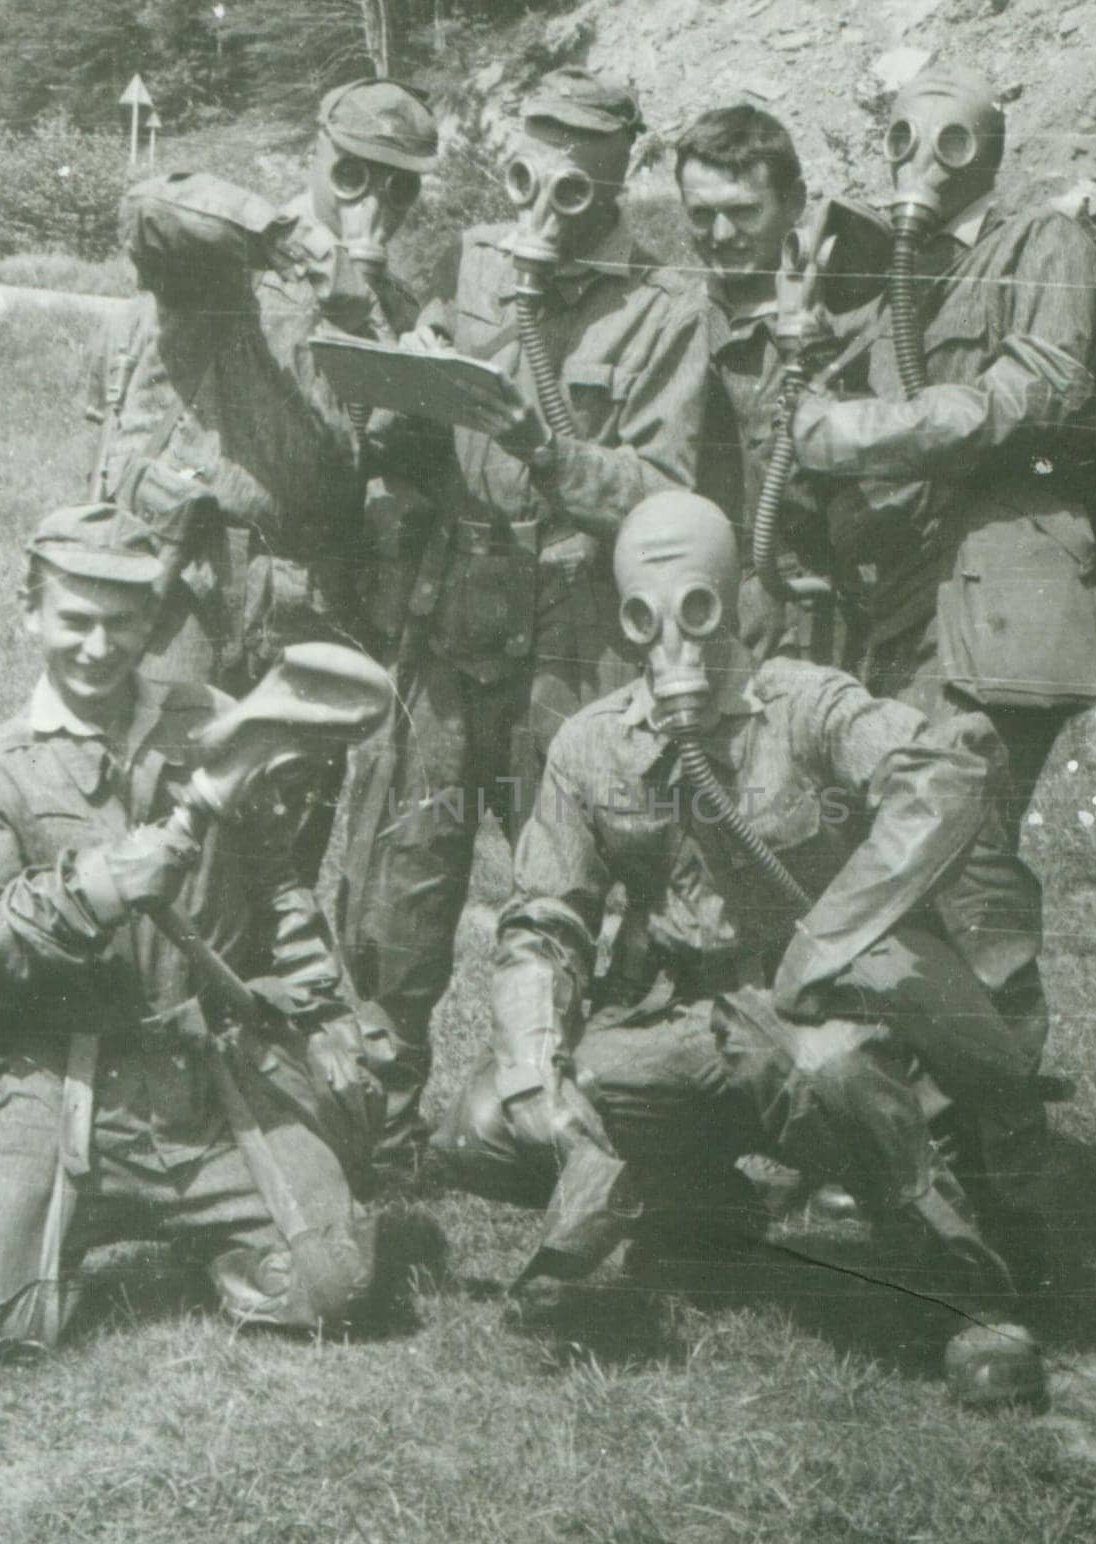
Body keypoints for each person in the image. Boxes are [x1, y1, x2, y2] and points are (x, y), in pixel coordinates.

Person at [436, 489, 1057, 1408]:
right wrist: (536, 1065)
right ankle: (701, 1209)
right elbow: (542, 919)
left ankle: (969, 1293)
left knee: (836, 1070)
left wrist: (829, 937)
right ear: (621, 619)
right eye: (642, 616)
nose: (670, 643)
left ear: (727, 601)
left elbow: (944, 776)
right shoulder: (591, 744)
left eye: (694, 608)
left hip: (823, 1016)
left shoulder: (804, 706)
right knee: (485, 1125)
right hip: (678, 1021)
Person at [0, 505, 386, 1354]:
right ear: (30, 614)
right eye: (73, 620)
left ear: (155, 622)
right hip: (59, 1086)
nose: (96, 647)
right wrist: (94, 889)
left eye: (122, 623)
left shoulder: (212, 727)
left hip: (207, 1083)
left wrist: (322, 1011)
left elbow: (281, 890)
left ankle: (191, 1227)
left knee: (326, 1286)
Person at [341, 68, 713, 1172]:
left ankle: (607, 1113)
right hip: (455, 609)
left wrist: (550, 448)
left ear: (617, 183)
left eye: (578, 183)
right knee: (401, 870)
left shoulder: (666, 308)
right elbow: (431, 433)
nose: (548, 202)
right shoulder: (475, 266)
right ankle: (381, 1112)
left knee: (585, 880)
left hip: (574, 630)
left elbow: (665, 487)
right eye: (530, 168)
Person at [85, 78, 441, 873]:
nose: (374, 203)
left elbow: (391, 465)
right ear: (314, 153)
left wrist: (411, 379)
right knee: (154, 797)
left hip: (307, 598)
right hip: (192, 583)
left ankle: (246, 996)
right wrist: (291, 240)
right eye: (352, 173)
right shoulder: (229, 263)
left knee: (281, 832)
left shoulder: (398, 308)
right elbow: (148, 205)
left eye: (399, 185)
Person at [788, 63, 1096, 837]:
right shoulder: (887, 276)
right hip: (897, 599)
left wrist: (850, 434)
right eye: (900, 135)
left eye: (949, 138)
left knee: (952, 856)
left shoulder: (1043, 242)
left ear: (988, 153)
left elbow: (1034, 391)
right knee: (896, 852)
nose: (920, 157)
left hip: (988, 601)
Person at [673, 102, 868, 665]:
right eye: (701, 214)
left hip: (809, 613)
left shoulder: (846, 322)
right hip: (689, 603)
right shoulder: (672, 319)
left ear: (795, 202)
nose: (722, 234)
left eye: (744, 211)